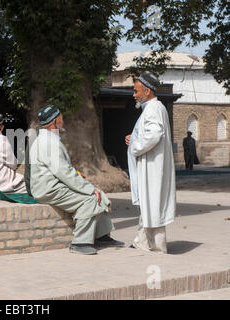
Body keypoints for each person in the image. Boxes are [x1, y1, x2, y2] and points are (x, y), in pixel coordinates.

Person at [28, 105, 124, 255]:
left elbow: (62, 170)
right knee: (91, 198)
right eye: (61, 117)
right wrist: (89, 189)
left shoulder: (46, 139)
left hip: (53, 185)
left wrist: (83, 181)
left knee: (96, 192)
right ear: (55, 121)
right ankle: (80, 242)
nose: (63, 119)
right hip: (49, 189)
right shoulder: (48, 143)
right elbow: (64, 173)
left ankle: (102, 236)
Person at [125, 71, 176, 254]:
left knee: (152, 205)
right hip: (151, 165)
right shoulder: (153, 108)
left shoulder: (153, 108)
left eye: (136, 91)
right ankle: (141, 241)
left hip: (152, 166)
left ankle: (156, 247)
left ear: (147, 91)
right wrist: (135, 138)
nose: (134, 94)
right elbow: (148, 132)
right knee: (149, 205)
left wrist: (136, 146)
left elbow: (154, 134)